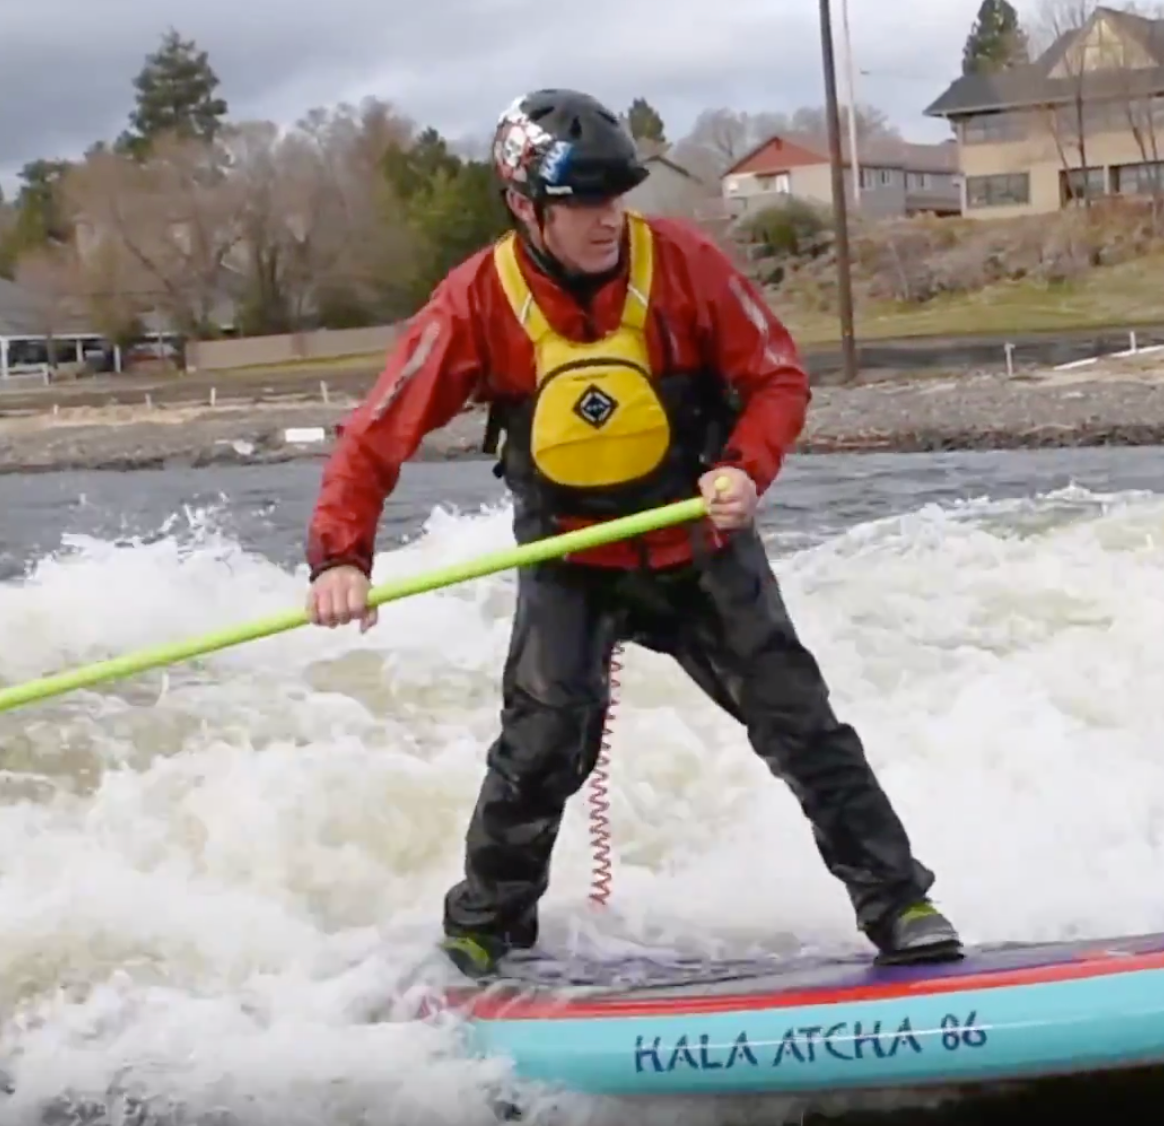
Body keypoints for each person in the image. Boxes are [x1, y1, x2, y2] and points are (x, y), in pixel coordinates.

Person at [301, 88, 961, 978]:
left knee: (803, 727)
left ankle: (900, 902)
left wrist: (744, 467)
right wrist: (342, 557)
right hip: (570, 559)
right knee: (539, 748)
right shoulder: (472, 301)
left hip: (699, 546)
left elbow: (777, 378)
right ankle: (484, 931)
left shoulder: (685, 264)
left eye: (615, 197)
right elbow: (378, 430)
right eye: (582, 203)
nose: (606, 220)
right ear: (525, 208)